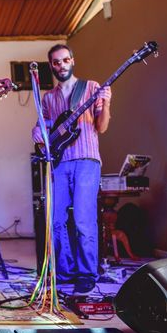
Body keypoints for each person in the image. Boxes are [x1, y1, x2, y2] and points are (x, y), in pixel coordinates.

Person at [31, 44, 112, 295]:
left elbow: (102, 126)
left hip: (87, 160)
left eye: (65, 60)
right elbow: (41, 127)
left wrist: (106, 103)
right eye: (56, 62)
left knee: (83, 220)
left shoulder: (90, 88)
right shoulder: (48, 98)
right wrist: (41, 139)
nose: (61, 65)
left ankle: (87, 273)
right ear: (52, 66)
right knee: (55, 220)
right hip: (60, 163)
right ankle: (65, 272)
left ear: (72, 61)